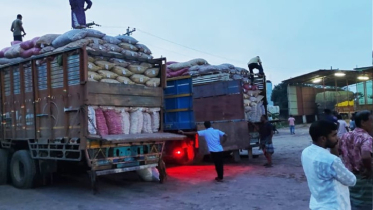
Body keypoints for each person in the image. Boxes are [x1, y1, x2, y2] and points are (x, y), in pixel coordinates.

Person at [301, 120, 356, 210]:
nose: (337, 138)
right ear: (323, 138)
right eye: (334, 135)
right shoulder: (331, 160)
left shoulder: (306, 152)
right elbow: (351, 180)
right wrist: (335, 149)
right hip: (334, 206)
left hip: (317, 204)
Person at [339, 110, 373, 210]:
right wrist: (369, 170)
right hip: (364, 177)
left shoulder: (345, 136)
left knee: (353, 202)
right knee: (365, 204)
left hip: (350, 176)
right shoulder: (367, 138)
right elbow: (366, 155)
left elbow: (338, 151)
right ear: (363, 122)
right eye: (372, 121)